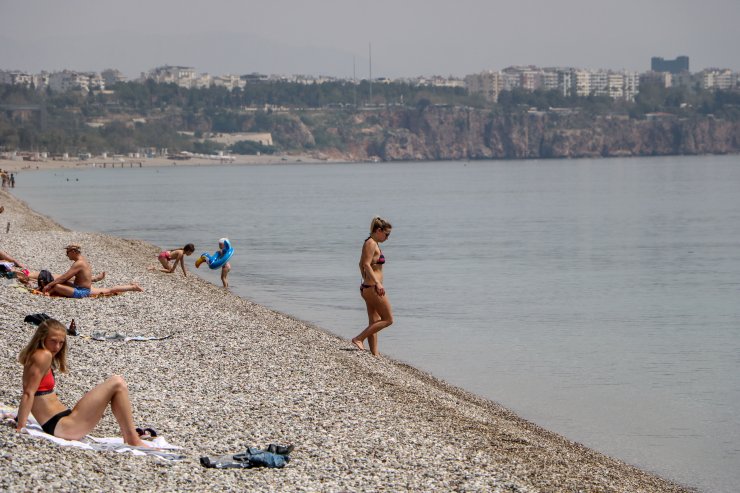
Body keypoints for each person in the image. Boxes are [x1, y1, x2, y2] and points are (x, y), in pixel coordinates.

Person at [14, 319, 147, 446]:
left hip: (64, 421)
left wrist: (19, 419)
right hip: (63, 427)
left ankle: (130, 436)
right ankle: (132, 438)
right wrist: (21, 427)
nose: (57, 347)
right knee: (117, 382)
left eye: (61, 343)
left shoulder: (39, 354)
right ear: (42, 338)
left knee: (117, 384)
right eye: (53, 341)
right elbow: (28, 392)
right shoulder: (43, 356)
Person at [351, 217, 393, 356]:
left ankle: (374, 354)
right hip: (373, 288)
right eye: (386, 234)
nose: (387, 238)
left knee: (374, 321)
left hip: (368, 287)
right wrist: (377, 282)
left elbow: (360, 264)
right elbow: (366, 264)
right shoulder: (371, 243)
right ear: (378, 230)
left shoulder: (371, 243)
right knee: (388, 320)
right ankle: (359, 338)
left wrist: (366, 280)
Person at [42, 244, 142, 298]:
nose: (66, 255)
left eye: (67, 252)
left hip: (81, 292)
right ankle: (132, 287)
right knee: (109, 290)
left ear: (73, 252)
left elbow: (65, 277)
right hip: (84, 288)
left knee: (57, 285)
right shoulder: (82, 261)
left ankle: (48, 292)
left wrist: (49, 285)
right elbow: (66, 279)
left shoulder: (79, 263)